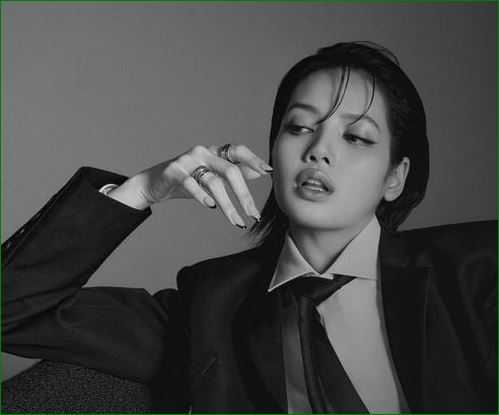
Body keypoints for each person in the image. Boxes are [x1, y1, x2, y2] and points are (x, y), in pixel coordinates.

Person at [2, 42, 497, 414]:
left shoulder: (476, 271)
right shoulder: (210, 307)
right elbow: (12, 308)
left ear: (395, 177)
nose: (318, 150)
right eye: (299, 127)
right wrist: (144, 188)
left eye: (356, 137)